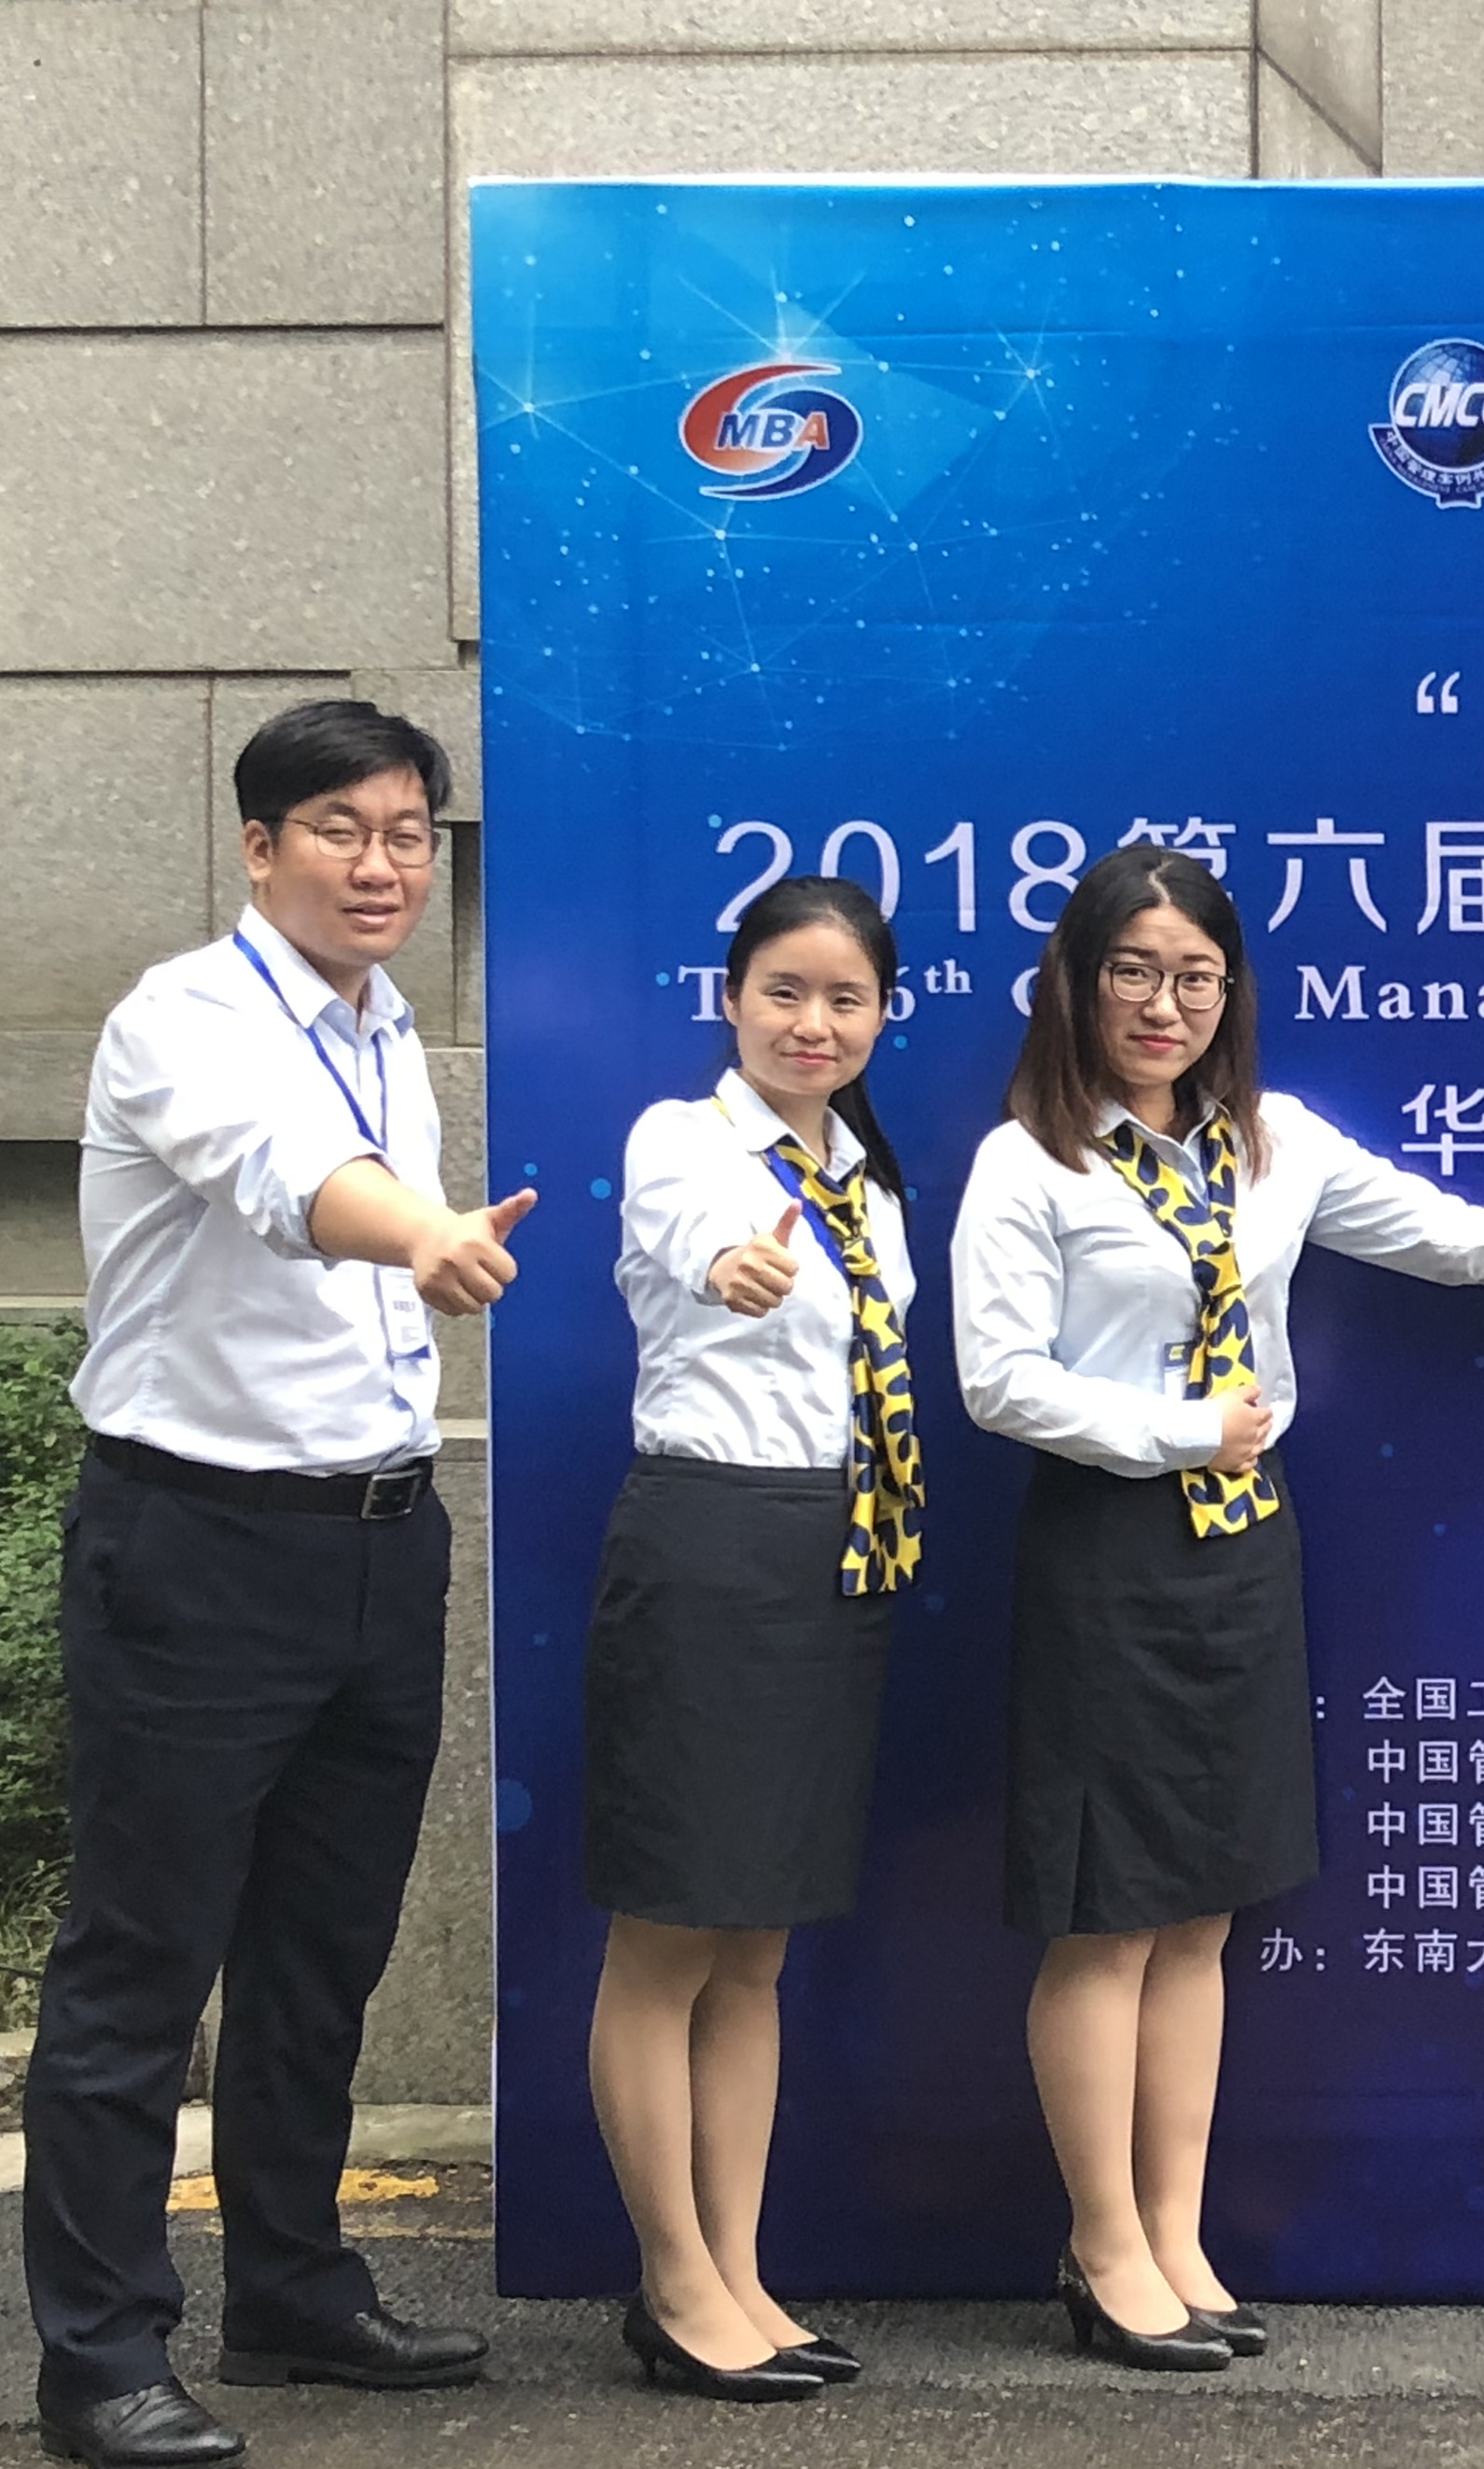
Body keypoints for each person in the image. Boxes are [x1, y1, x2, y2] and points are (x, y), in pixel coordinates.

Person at [950, 846, 1484, 2371]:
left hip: (1244, 1550)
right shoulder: (1031, 1162)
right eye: (1132, 970)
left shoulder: (1271, 1143)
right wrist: (1180, 1431)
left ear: (1230, 991)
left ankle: (1176, 2231)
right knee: (1105, 1914)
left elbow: (1455, 1237)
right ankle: (1101, 2243)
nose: (1164, 1005)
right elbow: (997, 1381)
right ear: (1076, 983)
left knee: (1203, 1910)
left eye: (1195, 976)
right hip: (1110, 1549)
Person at [27, 701, 534, 2468]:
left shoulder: (386, 1029)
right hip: (200, 1546)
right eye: (340, 829)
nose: (381, 864)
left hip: (381, 1540)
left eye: (407, 834)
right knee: (142, 1961)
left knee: (323, 1952)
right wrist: (427, 1233)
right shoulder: (185, 1017)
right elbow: (286, 1177)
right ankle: (99, 2354)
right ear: (260, 846)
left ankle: (296, 2290)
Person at [579, 877, 926, 2406]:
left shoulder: (871, 1179)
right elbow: (704, 1240)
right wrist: (736, 1266)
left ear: (883, 1014)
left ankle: (740, 2267)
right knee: (670, 1930)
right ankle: (671, 2280)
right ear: (730, 998)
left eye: (846, 999)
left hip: (838, 1555)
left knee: (759, 1946)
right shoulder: (686, 1141)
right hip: (712, 1544)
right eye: (784, 990)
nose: (814, 1023)